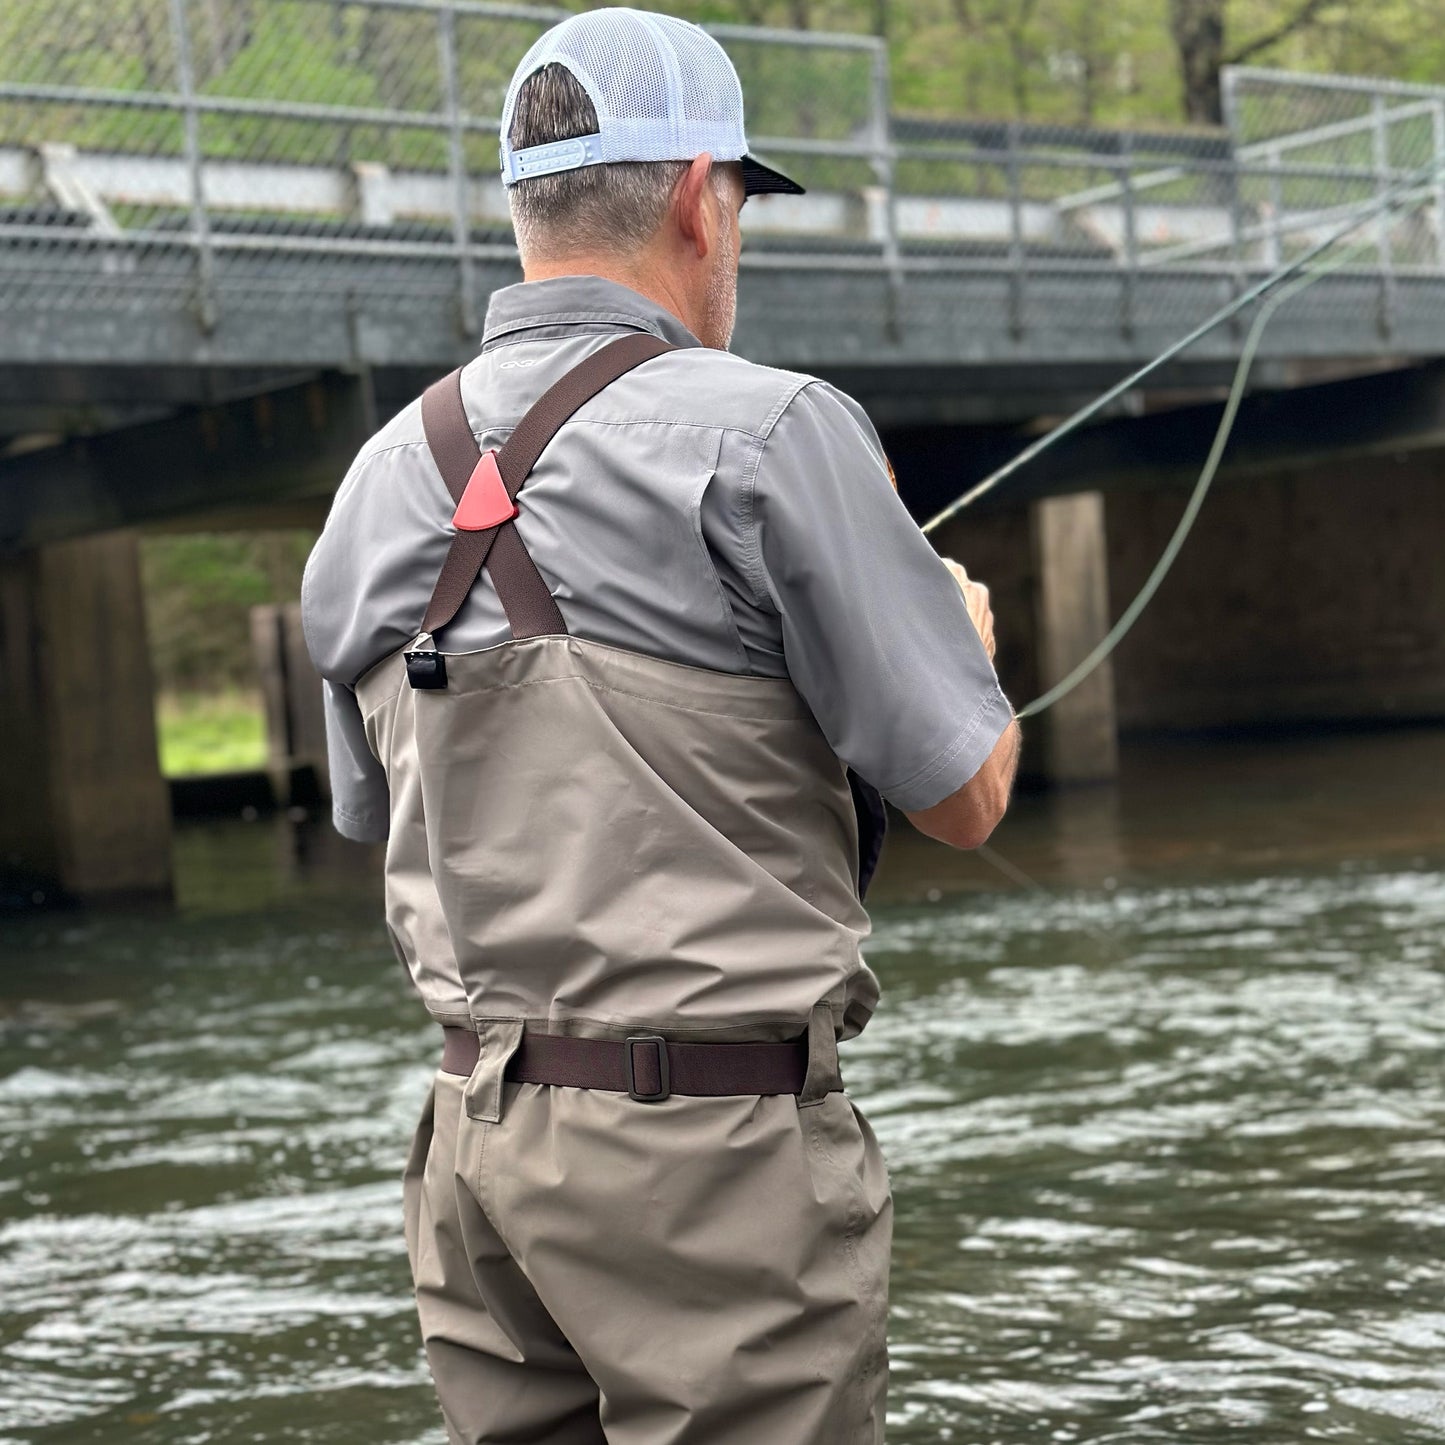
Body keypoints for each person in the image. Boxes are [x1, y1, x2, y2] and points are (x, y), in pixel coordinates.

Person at [301, 8, 1019, 1441]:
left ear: (525, 205)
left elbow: (373, 818)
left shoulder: (377, 482)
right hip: (712, 1170)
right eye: (742, 201)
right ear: (701, 194)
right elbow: (965, 795)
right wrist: (967, 646)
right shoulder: (772, 431)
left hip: (471, 1158)